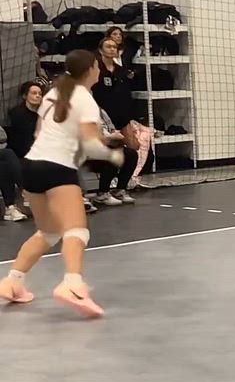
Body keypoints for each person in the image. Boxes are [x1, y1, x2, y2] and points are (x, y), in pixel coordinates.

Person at [0, 50, 125, 316]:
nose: (99, 70)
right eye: (97, 66)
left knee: (48, 232)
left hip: (31, 166)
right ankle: (73, 285)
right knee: (77, 230)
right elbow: (91, 145)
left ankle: (12, 282)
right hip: (57, 167)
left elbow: (40, 133)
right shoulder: (85, 99)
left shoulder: (53, 94)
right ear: (90, 69)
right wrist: (112, 154)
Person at [90, 38, 138, 206]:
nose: (112, 49)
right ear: (100, 50)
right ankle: (102, 192)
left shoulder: (120, 71)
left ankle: (120, 189)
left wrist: (128, 120)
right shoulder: (96, 70)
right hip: (100, 121)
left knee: (132, 152)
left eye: (115, 47)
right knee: (112, 152)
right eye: (108, 46)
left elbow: (126, 96)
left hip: (120, 119)